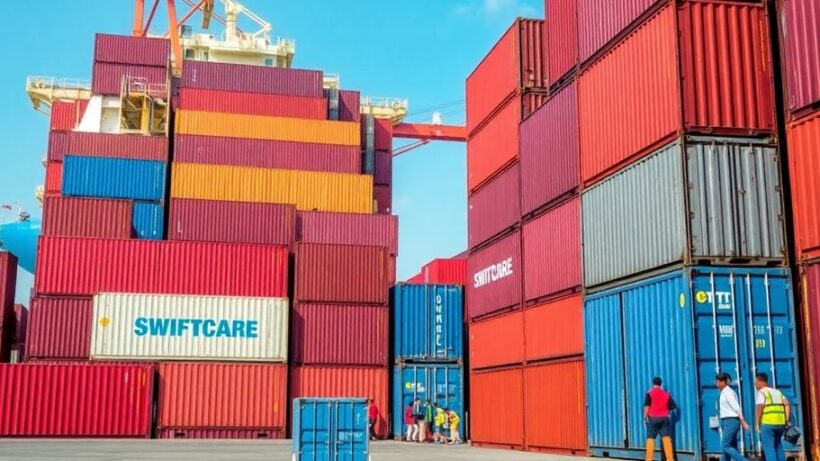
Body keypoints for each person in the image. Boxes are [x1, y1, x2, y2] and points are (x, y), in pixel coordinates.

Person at [755, 372, 791, 461]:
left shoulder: (762, 392)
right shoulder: (777, 391)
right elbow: (787, 404)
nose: (755, 385)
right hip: (780, 423)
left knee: (769, 448)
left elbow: (760, 407)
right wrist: (786, 420)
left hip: (768, 423)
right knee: (778, 446)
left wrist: (757, 423)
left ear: (759, 381)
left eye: (755, 382)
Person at [716, 372, 749, 461]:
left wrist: (743, 421)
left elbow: (737, 407)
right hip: (727, 421)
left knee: (725, 446)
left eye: (718, 381)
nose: (717, 383)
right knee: (729, 446)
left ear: (724, 382)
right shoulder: (724, 392)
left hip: (730, 421)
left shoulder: (728, 392)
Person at [643, 377, 677, 461]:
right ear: (661, 384)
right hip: (664, 418)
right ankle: (670, 459)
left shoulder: (649, 393)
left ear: (653, 384)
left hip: (653, 418)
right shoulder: (666, 394)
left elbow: (647, 406)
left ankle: (649, 459)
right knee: (666, 438)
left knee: (650, 438)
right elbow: (673, 407)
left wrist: (644, 417)